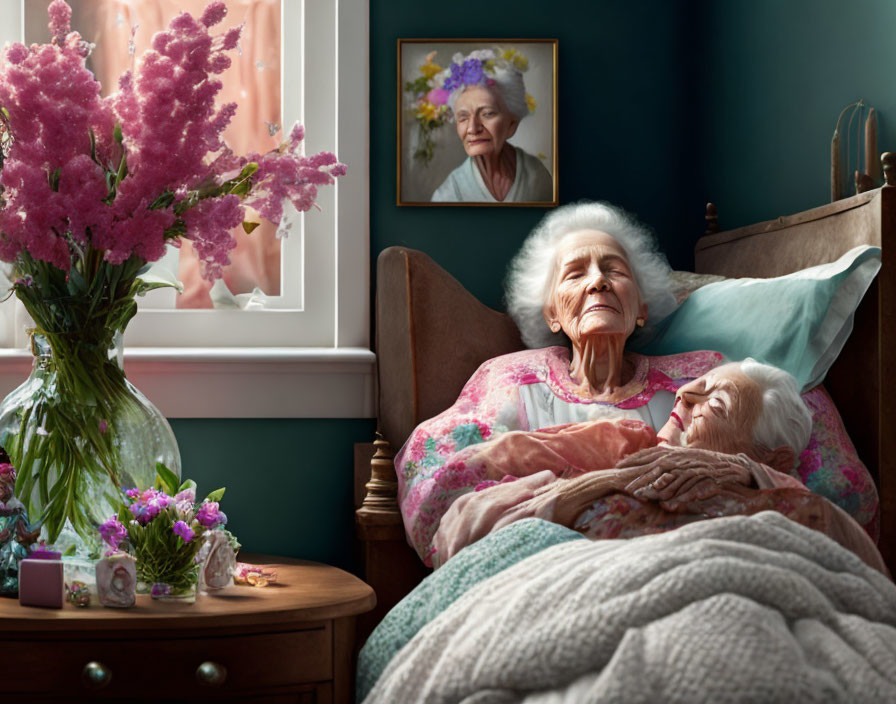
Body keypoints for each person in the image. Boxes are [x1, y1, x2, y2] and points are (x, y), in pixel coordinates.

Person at [395, 201, 878, 568]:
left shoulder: (703, 375)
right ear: (552, 312)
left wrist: (747, 475)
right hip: (551, 571)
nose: (598, 282)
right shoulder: (510, 379)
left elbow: (839, 490)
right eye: (576, 272)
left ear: (642, 306)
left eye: (614, 270)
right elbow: (435, 491)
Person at [429, 49, 553, 203]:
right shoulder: (449, 195)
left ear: (512, 124)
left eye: (487, 114)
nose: (473, 129)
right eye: (463, 117)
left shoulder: (536, 176)